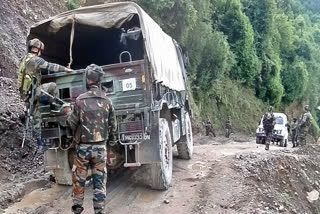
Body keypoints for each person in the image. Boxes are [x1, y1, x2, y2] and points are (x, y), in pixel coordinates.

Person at [65, 64, 116, 214]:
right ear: (100, 80)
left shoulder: (80, 100)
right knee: (99, 182)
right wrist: (110, 142)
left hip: (82, 150)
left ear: (88, 80)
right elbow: (113, 125)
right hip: (100, 149)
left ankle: (77, 210)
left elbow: (72, 123)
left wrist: (68, 115)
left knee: (79, 181)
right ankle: (99, 211)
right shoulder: (107, 101)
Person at [17, 38, 72, 152]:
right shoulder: (35, 59)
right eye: (40, 50)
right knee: (52, 86)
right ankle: (55, 108)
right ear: (37, 50)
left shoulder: (23, 59)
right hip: (33, 92)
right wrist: (66, 69)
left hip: (26, 95)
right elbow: (51, 66)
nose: (41, 52)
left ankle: (40, 143)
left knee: (36, 117)